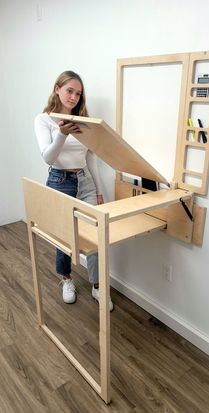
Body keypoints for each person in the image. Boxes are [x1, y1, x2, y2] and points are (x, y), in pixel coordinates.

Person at [34, 70, 113, 311]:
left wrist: (99, 190)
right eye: (70, 91)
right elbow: (48, 158)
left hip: (85, 182)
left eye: (78, 94)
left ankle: (98, 285)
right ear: (57, 88)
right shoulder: (44, 119)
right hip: (59, 181)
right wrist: (61, 133)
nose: (74, 97)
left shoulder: (83, 121)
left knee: (95, 236)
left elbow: (91, 160)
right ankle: (66, 279)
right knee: (64, 236)